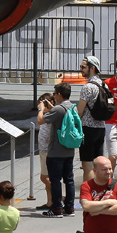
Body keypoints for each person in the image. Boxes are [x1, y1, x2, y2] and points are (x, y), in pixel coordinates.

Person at [40, 82, 77, 217]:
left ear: (59, 94)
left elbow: (41, 120)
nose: (54, 96)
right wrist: (52, 108)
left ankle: (56, 208)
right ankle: (69, 208)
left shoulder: (58, 109)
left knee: (55, 180)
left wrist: (40, 109)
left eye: (55, 94)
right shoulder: (73, 107)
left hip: (56, 151)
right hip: (69, 149)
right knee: (69, 180)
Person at [78, 55, 107, 182]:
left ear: (92, 68)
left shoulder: (87, 87)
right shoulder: (104, 85)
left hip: (87, 129)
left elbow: (80, 111)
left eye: (83, 67)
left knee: (87, 165)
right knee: (98, 163)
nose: (81, 69)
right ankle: (99, 191)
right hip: (101, 127)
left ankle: (88, 193)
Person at [36, 92, 55, 211]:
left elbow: (40, 120)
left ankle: (57, 197)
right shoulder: (48, 114)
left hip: (47, 150)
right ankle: (50, 201)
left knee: (45, 178)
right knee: (45, 177)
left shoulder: (51, 114)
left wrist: (41, 110)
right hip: (43, 149)